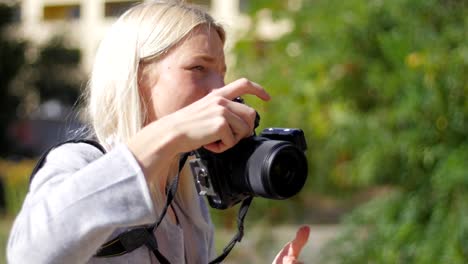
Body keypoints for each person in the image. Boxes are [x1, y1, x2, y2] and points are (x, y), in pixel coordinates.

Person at [7, 1, 310, 263]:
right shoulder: (79, 162)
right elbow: (29, 255)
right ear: (137, 75)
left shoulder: (184, 190)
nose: (220, 89)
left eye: (222, 72)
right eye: (198, 68)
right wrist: (174, 129)